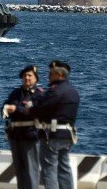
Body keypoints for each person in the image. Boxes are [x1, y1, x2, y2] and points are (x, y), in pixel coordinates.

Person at [34, 61, 80, 189]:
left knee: (49, 170)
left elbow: (41, 109)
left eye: (51, 73)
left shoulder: (56, 91)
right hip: (68, 134)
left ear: (59, 75)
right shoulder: (73, 91)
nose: (48, 76)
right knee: (64, 167)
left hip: (53, 135)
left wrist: (29, 109)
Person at [2, 65, 45, 189]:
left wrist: (17, 109)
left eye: (30, 75)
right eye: (25, 75)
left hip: (31, 135)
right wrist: (4, 110)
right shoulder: (15, 93)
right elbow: (5, 106)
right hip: (15, 135)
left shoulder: (40, 95)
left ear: (35, 78)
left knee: (31, 170)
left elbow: (37, 111)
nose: (27, 78)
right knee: (19, 170)